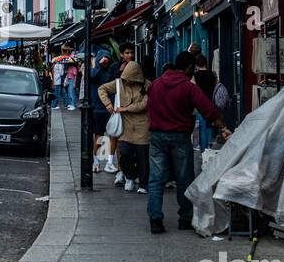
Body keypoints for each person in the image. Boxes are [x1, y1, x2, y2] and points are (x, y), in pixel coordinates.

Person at [146, 51, 232, 234]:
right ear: (188, 68)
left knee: (155, 180)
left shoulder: (155, 84)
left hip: (156, 136)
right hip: (179, 136)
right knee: (183, 178)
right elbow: (208, 110)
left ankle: (155, 220)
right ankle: (184, 218)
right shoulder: (188, 87)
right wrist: (223, 127)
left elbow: (149, 107)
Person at [99, 61, 150, 194]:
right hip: (125, 126)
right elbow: (102, 89)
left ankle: (143, 183)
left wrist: (124, 109)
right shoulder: (118, 83)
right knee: (124, 154)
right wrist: (108, 104)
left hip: (142, 125)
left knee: (142, 156)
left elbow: (144, 104)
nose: (126, 82)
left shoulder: (148, 85)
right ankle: (130, 176)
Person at [88, 51, 119, 174]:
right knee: (99, 136)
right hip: (97, 108)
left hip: (111, 107)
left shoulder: (110, 72)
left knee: (113, 135)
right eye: (103, 58)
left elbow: (111, 82)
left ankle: (110, 161)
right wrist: (100, 65)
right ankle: (96, 161)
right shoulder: (94, 70)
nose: (106, 61)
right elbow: (92, 77)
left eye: (107, 59)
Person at [193, 53, 219, 151]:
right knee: (209, 126)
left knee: (202, 128)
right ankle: (210, 148)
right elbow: (216, 87)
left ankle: (204, 151)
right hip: (211, 103)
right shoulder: (212, 74)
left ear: (196, 64)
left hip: (200, 105)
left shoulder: (195, 76)